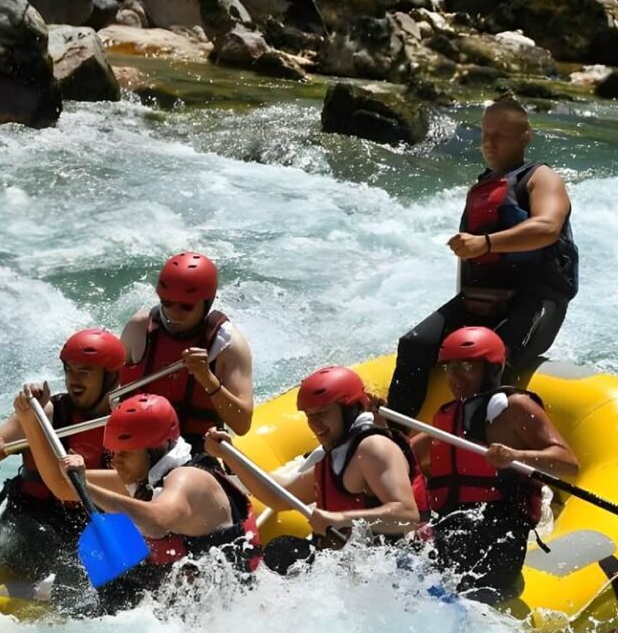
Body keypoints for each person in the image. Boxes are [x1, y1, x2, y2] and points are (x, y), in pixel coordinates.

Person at [387, 96, 578, 417]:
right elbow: (471, 263)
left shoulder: (541, 177)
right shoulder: (484, 186)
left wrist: (486, 243)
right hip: (481, 299)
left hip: (535, 301)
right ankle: (396, 432)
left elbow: (547, 228)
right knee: (414, 344)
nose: (489, 143)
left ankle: (479, 439)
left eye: (499, 136)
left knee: (487, 363)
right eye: (485, 134)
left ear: (525, 137)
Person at [15, 389, 260, 612]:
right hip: (184, 601)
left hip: (224, 608)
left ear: (157, 447)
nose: (116, 462)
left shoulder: (188, 479)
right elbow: (62, 486)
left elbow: (156, 522)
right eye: (113, 452)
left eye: (126, 453)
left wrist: (85, 486)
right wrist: (28, 420)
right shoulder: (147, 477)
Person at [409, 326, 579, 602]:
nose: (455, 377)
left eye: (467, 366)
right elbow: (402, 457)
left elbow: (569, 464)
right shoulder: (449, 415)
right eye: (450, 368)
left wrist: (516, 456)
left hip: (501, 530)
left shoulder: (516, 407)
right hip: (452, 524)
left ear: (491, 370)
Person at [206, 365, 423, 572]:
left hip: (393, 567)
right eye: (309, 415)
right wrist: (230, 456)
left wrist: (340, 518)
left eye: (323, 413)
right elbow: (279, 495)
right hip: (352, 569)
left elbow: (407, 515)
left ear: (348, 409)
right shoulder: (337, 455)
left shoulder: (374, 448)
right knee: (283, 551)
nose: (315, 424)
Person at [0, 328, 124, 581]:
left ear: (111, 377)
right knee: (44, 540)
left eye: (85, 372)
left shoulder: (128, 422)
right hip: (30, 520)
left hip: (86, 525)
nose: (74, 380)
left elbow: (135, 487)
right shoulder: (46, 412)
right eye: (69, 370)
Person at [119, 251, 254, 453]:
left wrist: (207, 378)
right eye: (167, 303)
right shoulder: (138, 328)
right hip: (138, 445)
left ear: (206, 303)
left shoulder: (228, 344)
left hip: (195, 448)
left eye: (186, 306)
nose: (174, 313)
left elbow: (242, 425)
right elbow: (109, 396)